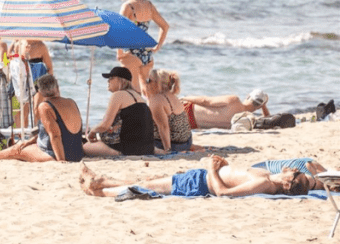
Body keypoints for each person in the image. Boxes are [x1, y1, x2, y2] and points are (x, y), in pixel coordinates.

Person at [80, 155, 313, 198]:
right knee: (149, 182)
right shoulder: (268, 178)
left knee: (147, 187)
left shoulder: (264, 184)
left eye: (295, 172)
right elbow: (236, 178)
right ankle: (100, 182)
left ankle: (98, 191)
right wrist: (224, 164)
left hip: (199, 183)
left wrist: (211, 168)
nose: (293, 168)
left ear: (287, 182)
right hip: (201, 177)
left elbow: (223, 192)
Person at [0, 73, 84, 163]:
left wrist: (61, 160)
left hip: (58, 155)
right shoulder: (71, 102)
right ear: (57, 87)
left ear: (40, 92)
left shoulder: (45, 107)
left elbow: (55, 135)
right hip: (77, 153)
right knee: (23, 145)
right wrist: (29, 141)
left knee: (17, 150)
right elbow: (57, 131)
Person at [84, 66, 154, 157]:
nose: (108, 81)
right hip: (148, 148)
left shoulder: (118, 95)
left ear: (122, 80)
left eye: (111, 78)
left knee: (85, 147)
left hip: (129, 151)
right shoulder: (138, 96)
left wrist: (92, 131)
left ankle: (116, 153)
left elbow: (105, 125)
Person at [117, 0, 169, 95]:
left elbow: (119, 30)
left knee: (132, 90)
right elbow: (165, 26)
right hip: (146, 52)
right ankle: (151, 111)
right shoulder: (149, 5)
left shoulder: (128, 6)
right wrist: (157, 46)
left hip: (131, 52)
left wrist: (119, 52)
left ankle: (137, 113)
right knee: (146, 91)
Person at [147, 69, 193, 153]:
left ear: (157, 83)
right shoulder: (172, 95)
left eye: (149, 80)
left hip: (175, 145)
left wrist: (167, 150)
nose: (147, 83)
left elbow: (164, 127)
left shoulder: (157, 100)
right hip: (187, 142)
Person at [179, 90, 270, 129]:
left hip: (186, 110)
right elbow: (267, 118)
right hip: (190, 124)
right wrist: (264, 106)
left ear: (248, 96)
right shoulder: (246, 120)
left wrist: (185, 98)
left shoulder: (234, 100)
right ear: (260, 106)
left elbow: (205, 101)